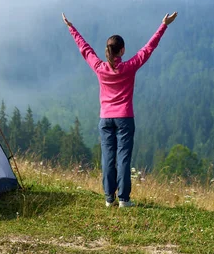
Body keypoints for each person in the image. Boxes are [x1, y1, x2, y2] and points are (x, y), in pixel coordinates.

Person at [62, 11, 177, 207]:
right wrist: (163, 25)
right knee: (123, 158)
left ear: (108, 50)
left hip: (105, 119)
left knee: (108, 158)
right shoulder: (129, 67)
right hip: (125, 118)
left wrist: (71, 28)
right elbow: (149, 48)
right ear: (122, 51)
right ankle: (124, 199)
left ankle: (109, 199)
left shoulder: (99, 67)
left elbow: (85, 49)